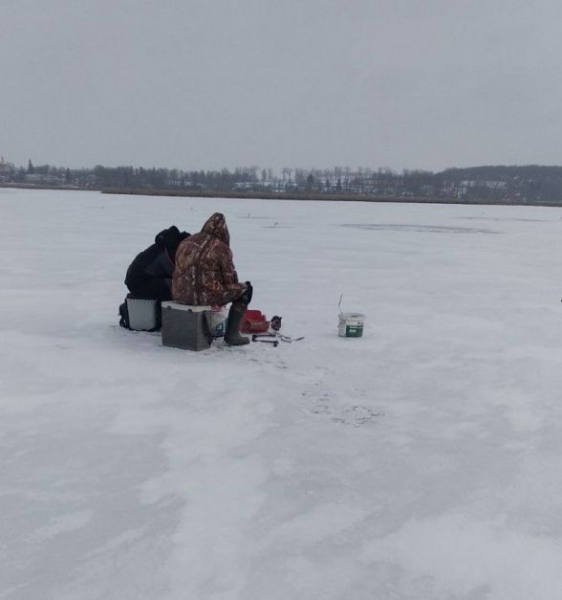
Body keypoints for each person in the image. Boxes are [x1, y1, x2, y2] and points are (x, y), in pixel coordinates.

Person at [172, 212, 252, 346]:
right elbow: (230, 281)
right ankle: (232, 335)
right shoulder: (221, 248)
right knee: (246, 290)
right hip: (204, 297)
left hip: (179, 294)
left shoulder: (187, 241)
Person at [125, 225, 190, 301]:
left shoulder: (166, 245)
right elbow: (175, 273)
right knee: (174, 289)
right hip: (137, 282)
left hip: (144, 278)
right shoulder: (166, 252)